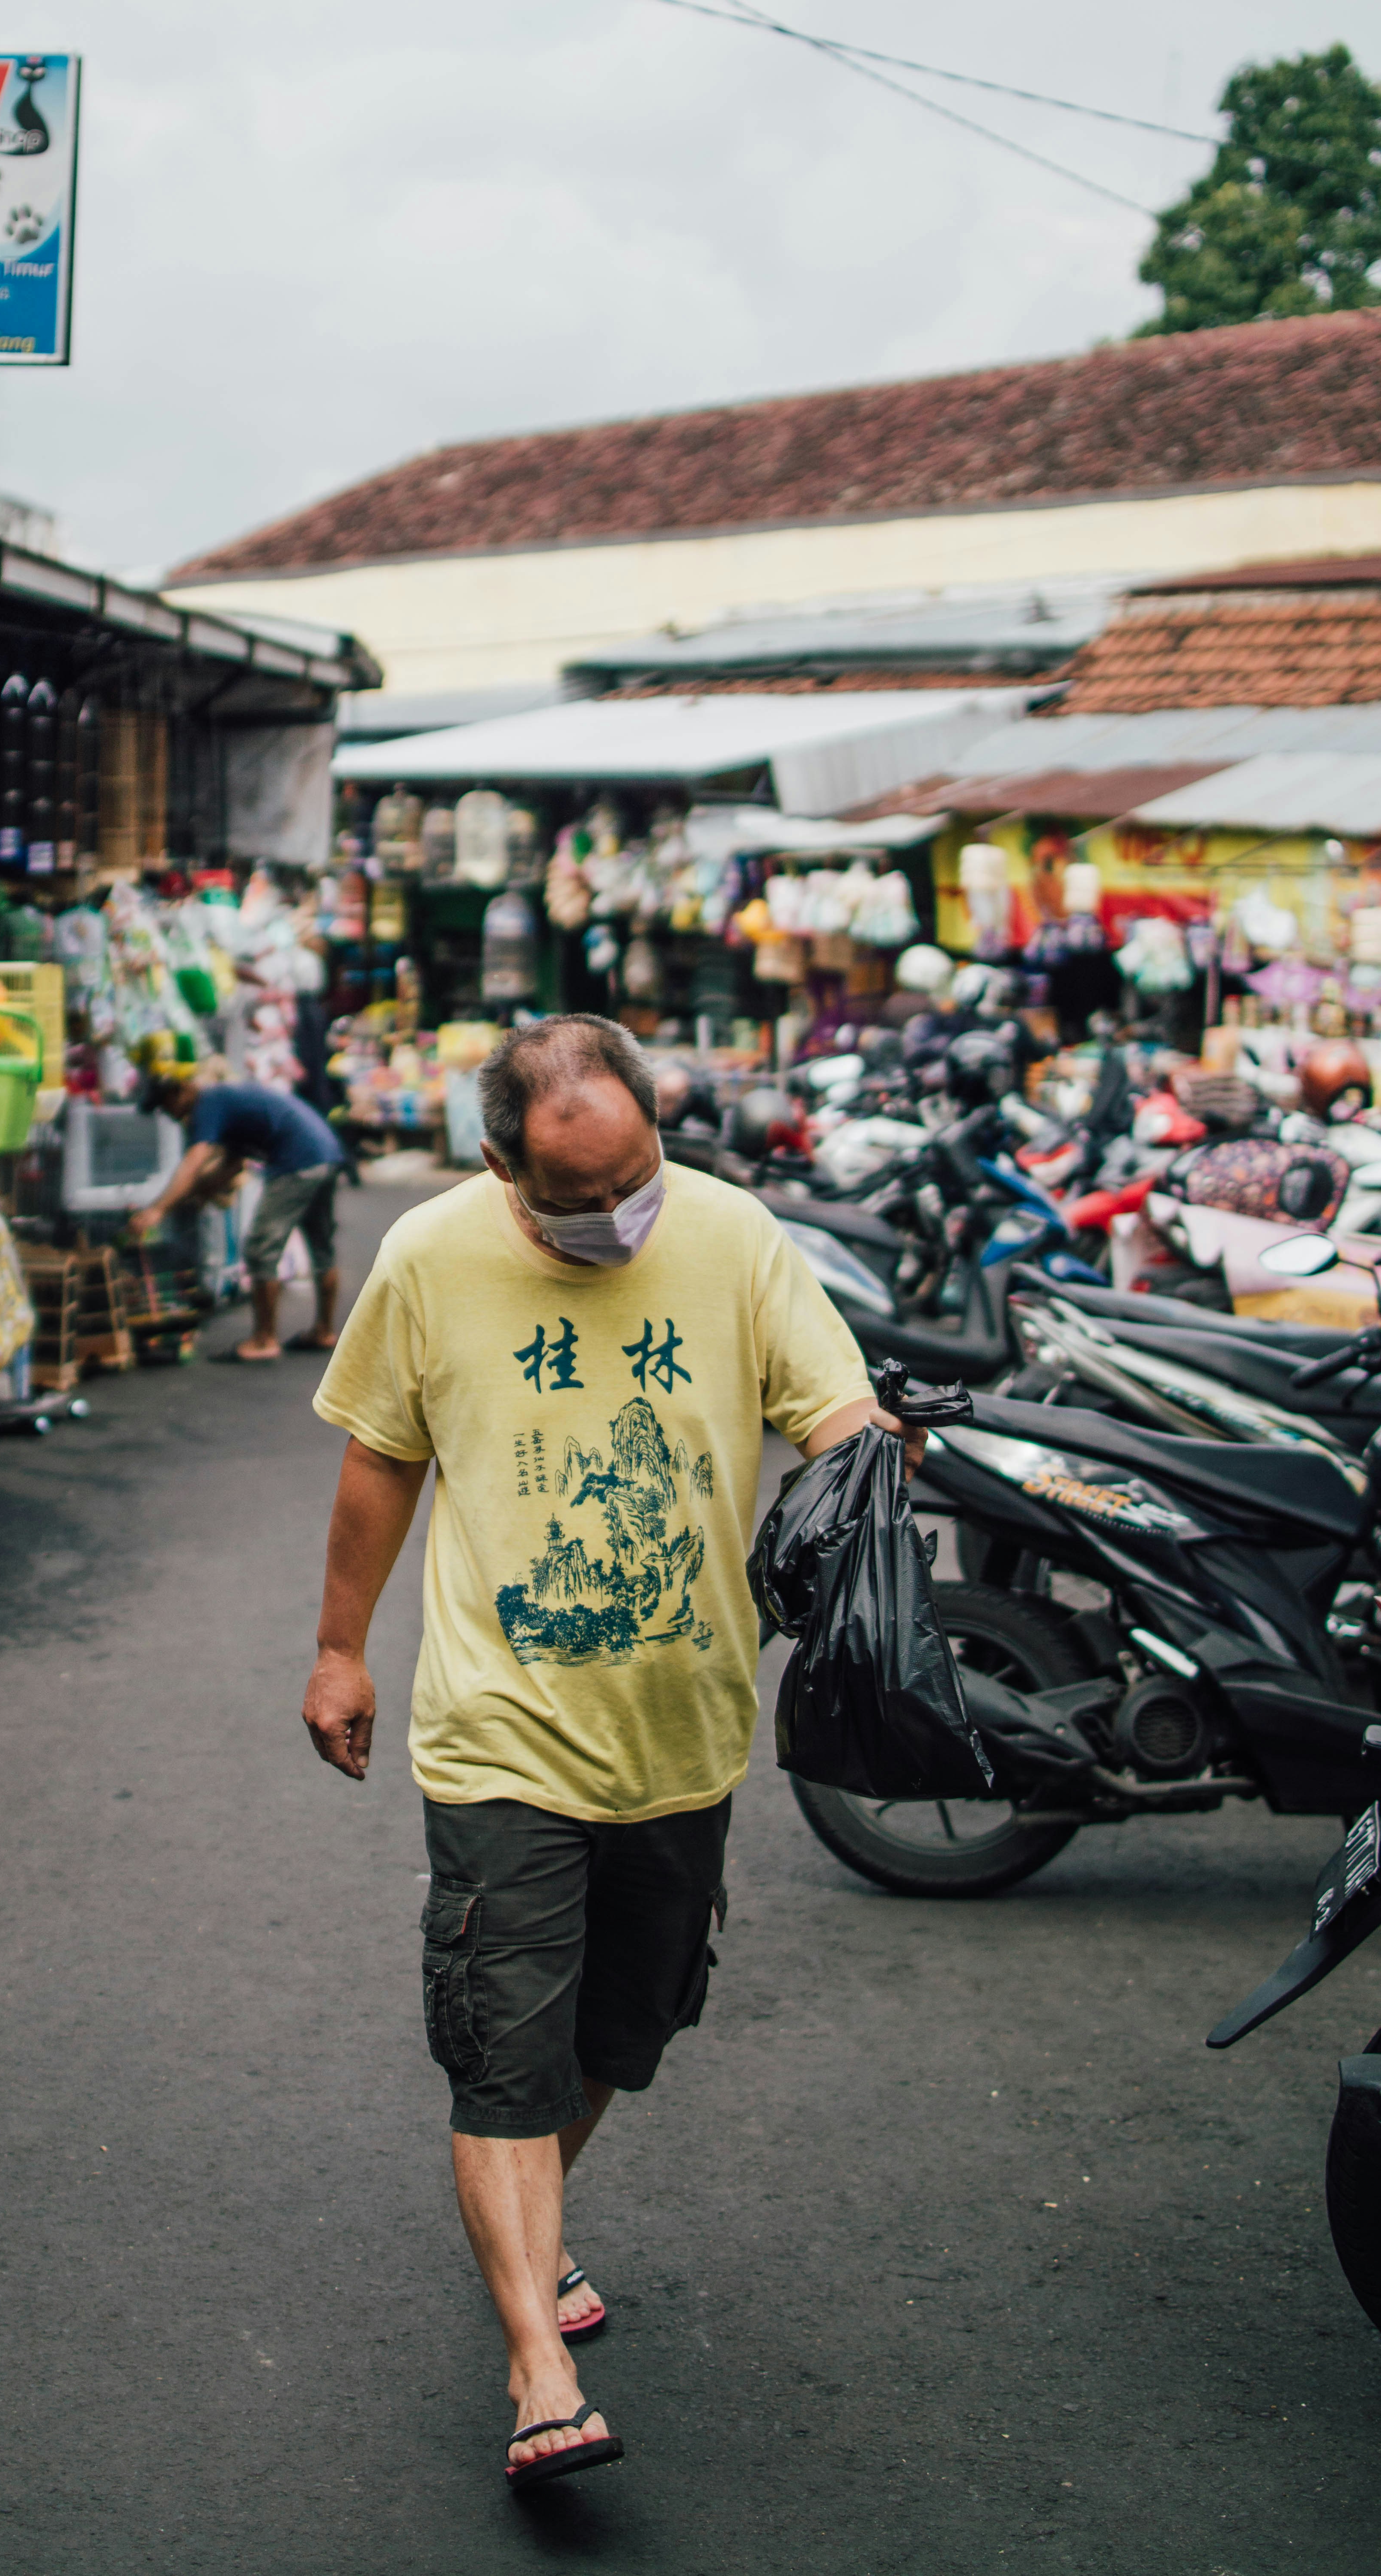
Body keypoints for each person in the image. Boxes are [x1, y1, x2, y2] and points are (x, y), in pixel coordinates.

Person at [299, 1014, 920, 2492]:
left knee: (615, 2041)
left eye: (634, 1181)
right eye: (576, 1204)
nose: (615, 1221)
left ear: (658, 1124)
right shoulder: (435, 1253)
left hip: (684, 1730)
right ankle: (538, 2361)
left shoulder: (737, 1236)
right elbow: (381, 1452)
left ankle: (530, 2223)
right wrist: (339, 1644)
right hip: (499, 1725)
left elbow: (833, 1407)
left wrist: (867, 1462)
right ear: (504, 1163)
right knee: (506, 2046)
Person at [130, 1071, 344, 1363]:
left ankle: (265, 1339)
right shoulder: (224, 1101)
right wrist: (200, 1195)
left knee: (260, 1249)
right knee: (321, 1246)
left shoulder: (207, 1104)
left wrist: (158, 1209)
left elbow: (195, 1161)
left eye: (166, 1105)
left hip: (299, 1161)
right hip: (326, 1152)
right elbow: (233, 1163)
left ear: (183, 1091)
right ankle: (324, 1330)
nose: (168, 1114)